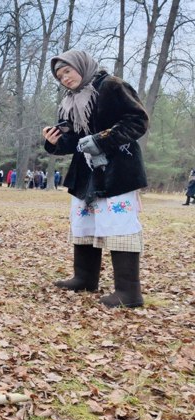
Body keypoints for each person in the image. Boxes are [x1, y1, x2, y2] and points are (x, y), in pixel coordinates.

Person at [42, 49, 148, 308]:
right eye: (59, 76)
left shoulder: (111, 86)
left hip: (118, 170)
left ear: (81, 65)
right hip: (85, 174)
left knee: (118, 224)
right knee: (84, 223)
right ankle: (85, 278)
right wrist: (54, 142)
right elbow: (73, 141)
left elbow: (138, 120)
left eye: (67, 70)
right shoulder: (70, 101)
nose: (65, 78)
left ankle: (129, 292)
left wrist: (102, 140)